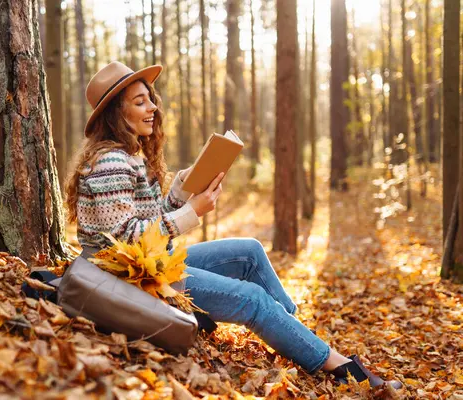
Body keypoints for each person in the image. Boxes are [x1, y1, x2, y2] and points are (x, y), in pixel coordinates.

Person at [63, 61, 402, 389]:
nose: (152, 107)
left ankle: (298, 335)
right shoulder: (110, 162)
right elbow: (125, 238)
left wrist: (181, 193)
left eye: (150, 98)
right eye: (140, 102)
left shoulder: (128, 155)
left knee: (249, 252)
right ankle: (339, 367)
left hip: (151, 265)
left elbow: (146, 223)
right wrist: (191, 211)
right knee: (252, 299)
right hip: (129, 281)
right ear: (114, 115)